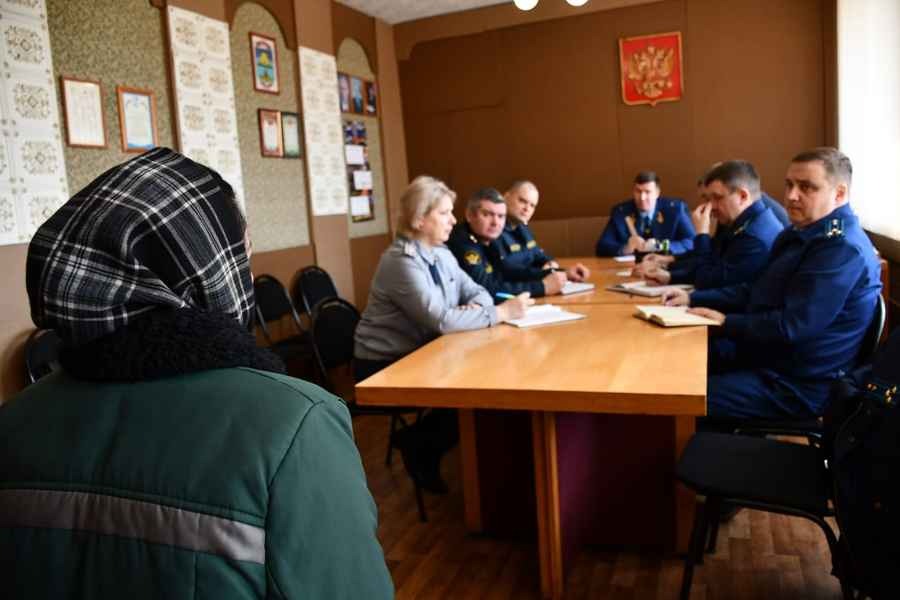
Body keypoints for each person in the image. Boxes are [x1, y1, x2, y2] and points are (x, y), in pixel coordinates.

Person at [0, 148, 393, 598]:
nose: (247, 275)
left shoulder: (12, 422)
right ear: (210, 271)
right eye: (240, 257)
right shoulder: (298, 424)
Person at [663, 147, 882, 419]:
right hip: (769, 357)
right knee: (672, 361)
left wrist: (726, 323)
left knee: (675, 395)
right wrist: (695, 299)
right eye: (789, 184)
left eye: (806, 187)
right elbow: (757, 290)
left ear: (839, 194)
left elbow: (793, 326)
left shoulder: (841, 248)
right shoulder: (801, 233)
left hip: (795, 384)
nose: (791, 195)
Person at [354, 176, 531, 493]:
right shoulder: (400, 261)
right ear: (419, 218)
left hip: (426, 349)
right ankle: (420, 444)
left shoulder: (442, 253)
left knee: (483, 378)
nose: (453, 220)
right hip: (385, 363)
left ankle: (422, 440)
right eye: (444, 213)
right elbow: (441, 321)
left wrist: (474, 310)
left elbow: (479, 291)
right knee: (473, 389)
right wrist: (500, 313)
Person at [641, 160, 784, 289]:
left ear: (743, 196)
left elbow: (707, 279)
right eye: (708, 199)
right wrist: (670, 274)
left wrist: (702, 234)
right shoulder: (741, 219)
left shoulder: (754, 235)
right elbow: (714, 262)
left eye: (717, 198)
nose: (711, 206)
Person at [447, 187, 566, 298]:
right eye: (487, 214)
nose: (495, 223)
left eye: (501, 216)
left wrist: (554, 273)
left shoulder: (486, 238)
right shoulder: (464, 244)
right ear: (469, 215)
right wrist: (542, 287)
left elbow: (506, 273)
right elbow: (487, 292)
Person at [496, 180, 590, 283]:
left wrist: (550, 263)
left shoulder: (522, 228)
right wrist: (555, 272)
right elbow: (510, 270)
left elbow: (537, 254)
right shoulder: (493, 228)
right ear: (506, 197)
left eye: (532, 205)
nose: (527, 209)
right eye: (522, 201)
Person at [595, 171, 696, 256]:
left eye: (647, 192)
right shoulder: (621, 212)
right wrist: (625, 248)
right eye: (638, 191)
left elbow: (692, 242)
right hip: (630, 267)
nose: (642, 198)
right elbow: (602, 247)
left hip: (666, 266)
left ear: (657, 193)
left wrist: (661, 246)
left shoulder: (675, 209)